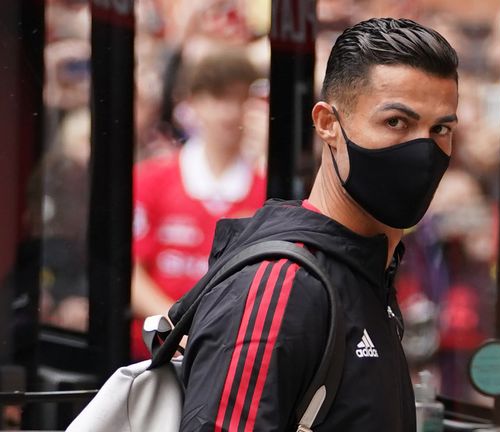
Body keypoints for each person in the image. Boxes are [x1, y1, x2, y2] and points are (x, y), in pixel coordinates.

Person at [174, 18, 458, 431]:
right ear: (328, 124)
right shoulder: (283, 285)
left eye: (441, 129)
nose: (423, 150)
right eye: (395, 122)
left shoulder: (368, 270)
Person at [131, 49, 266, 359]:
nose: (230, 113)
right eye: (219, 98)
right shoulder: (149, 178)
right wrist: (177, 332)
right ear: (193, 102)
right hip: (151, 359)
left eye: (240, 99)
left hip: (231, 357)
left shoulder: (266, 190)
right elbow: (131, 276)